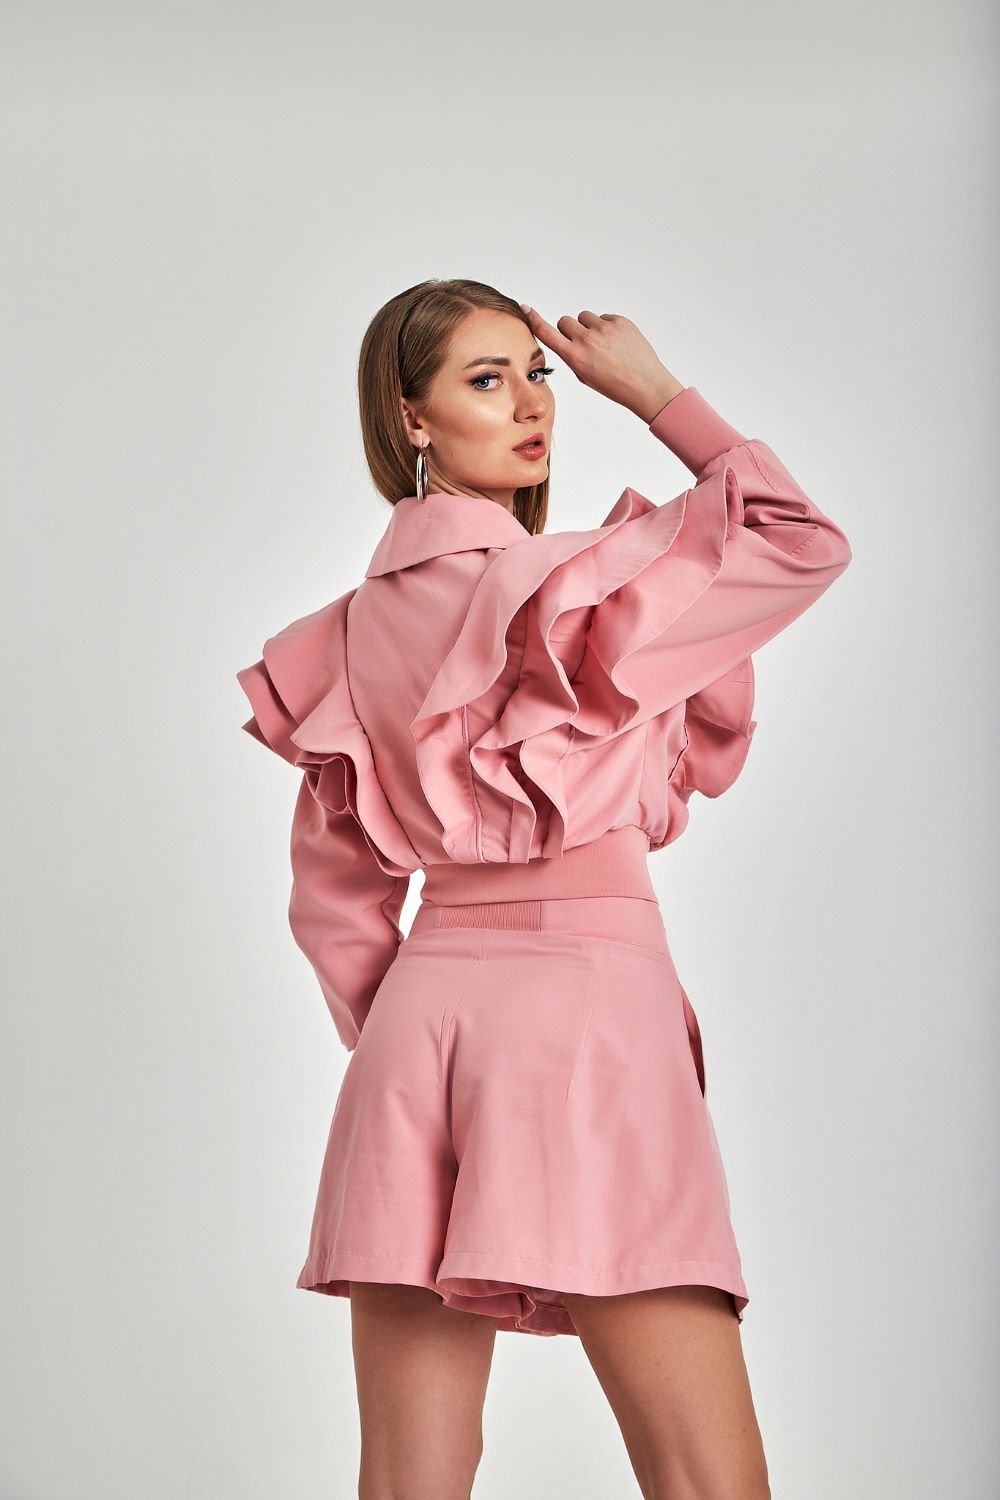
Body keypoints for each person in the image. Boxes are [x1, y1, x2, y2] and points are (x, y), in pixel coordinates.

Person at [237, 278, 853, 1499]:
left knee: (407, 1481)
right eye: (486, 379)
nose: (531, 404)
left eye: (541, 374)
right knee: (704, 1477)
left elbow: (335, 898)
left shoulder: (344, 637)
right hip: (587, 1015)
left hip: (417, 1037)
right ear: (410, 419)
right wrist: (656, 394)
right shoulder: (577, 588)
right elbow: (800, 539)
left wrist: (422, 1039)